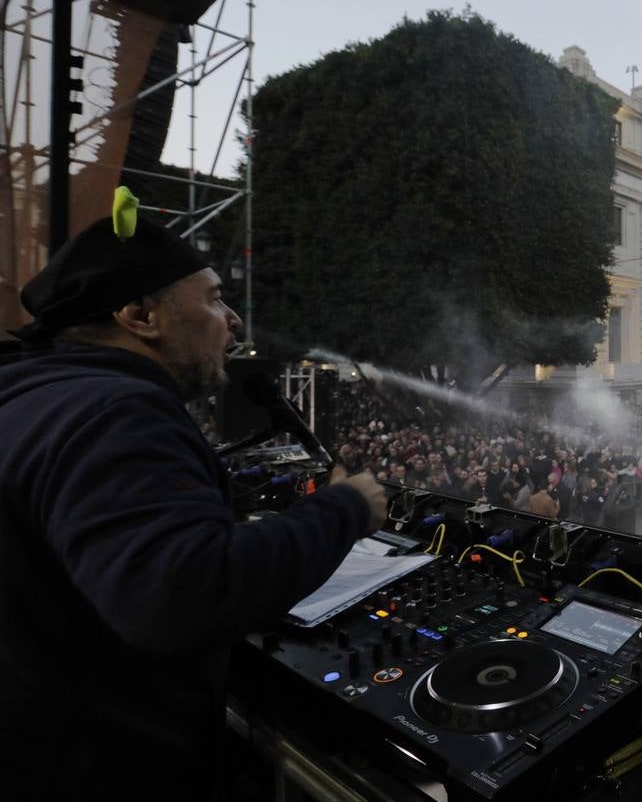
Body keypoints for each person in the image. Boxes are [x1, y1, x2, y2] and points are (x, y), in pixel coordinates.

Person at [0, 196, 388, 796]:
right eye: (212, 298)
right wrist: (346, 509)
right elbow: (183, 595)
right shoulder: (114, 411)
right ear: (138, 314)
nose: (231, 320)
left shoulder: (38, 395)